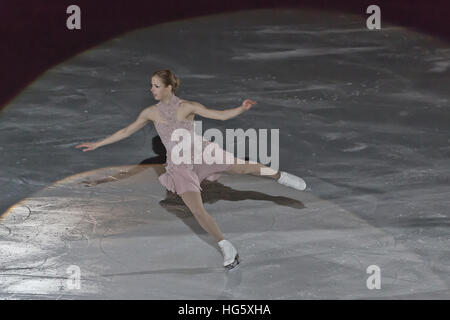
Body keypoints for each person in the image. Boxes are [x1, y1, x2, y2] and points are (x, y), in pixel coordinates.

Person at [76, 69, 306, 270]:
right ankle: (227, 247)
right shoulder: (150, 112)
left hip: (202, 153)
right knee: (196, 210)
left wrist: (241, 108)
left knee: (246, 169)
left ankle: (281, 177)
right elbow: (126, 131)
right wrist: (97, 144)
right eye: (151, 85)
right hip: (179, 165)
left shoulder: (188, 107)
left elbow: (220, 115)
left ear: (168, 88)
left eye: (156, 86)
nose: (151, 89)